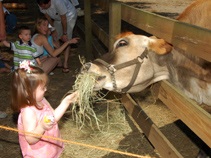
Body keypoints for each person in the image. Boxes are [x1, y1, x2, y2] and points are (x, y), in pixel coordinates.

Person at [11, 60, 78, 157]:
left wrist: (66, 102)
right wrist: (41, 127)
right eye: (42, 88)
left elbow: (53, 118)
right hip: (40, 153)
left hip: (50, 147)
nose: (46, 89)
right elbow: (30, 139)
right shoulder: (28, 112)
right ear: (28, 91)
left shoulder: (42, 100)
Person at [37, 0, 78, 73]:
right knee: (55, 37)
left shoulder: (58, 2)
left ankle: (65, 62)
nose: (43, 8)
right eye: (41, 6)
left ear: (49, 1)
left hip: (69, 16)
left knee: (67, 39)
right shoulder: (41, 4)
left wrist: (65, 33)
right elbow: (48, 18)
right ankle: (58, 60)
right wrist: (53, 29)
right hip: (57, 18)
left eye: (44, 6)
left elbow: (64, 18)